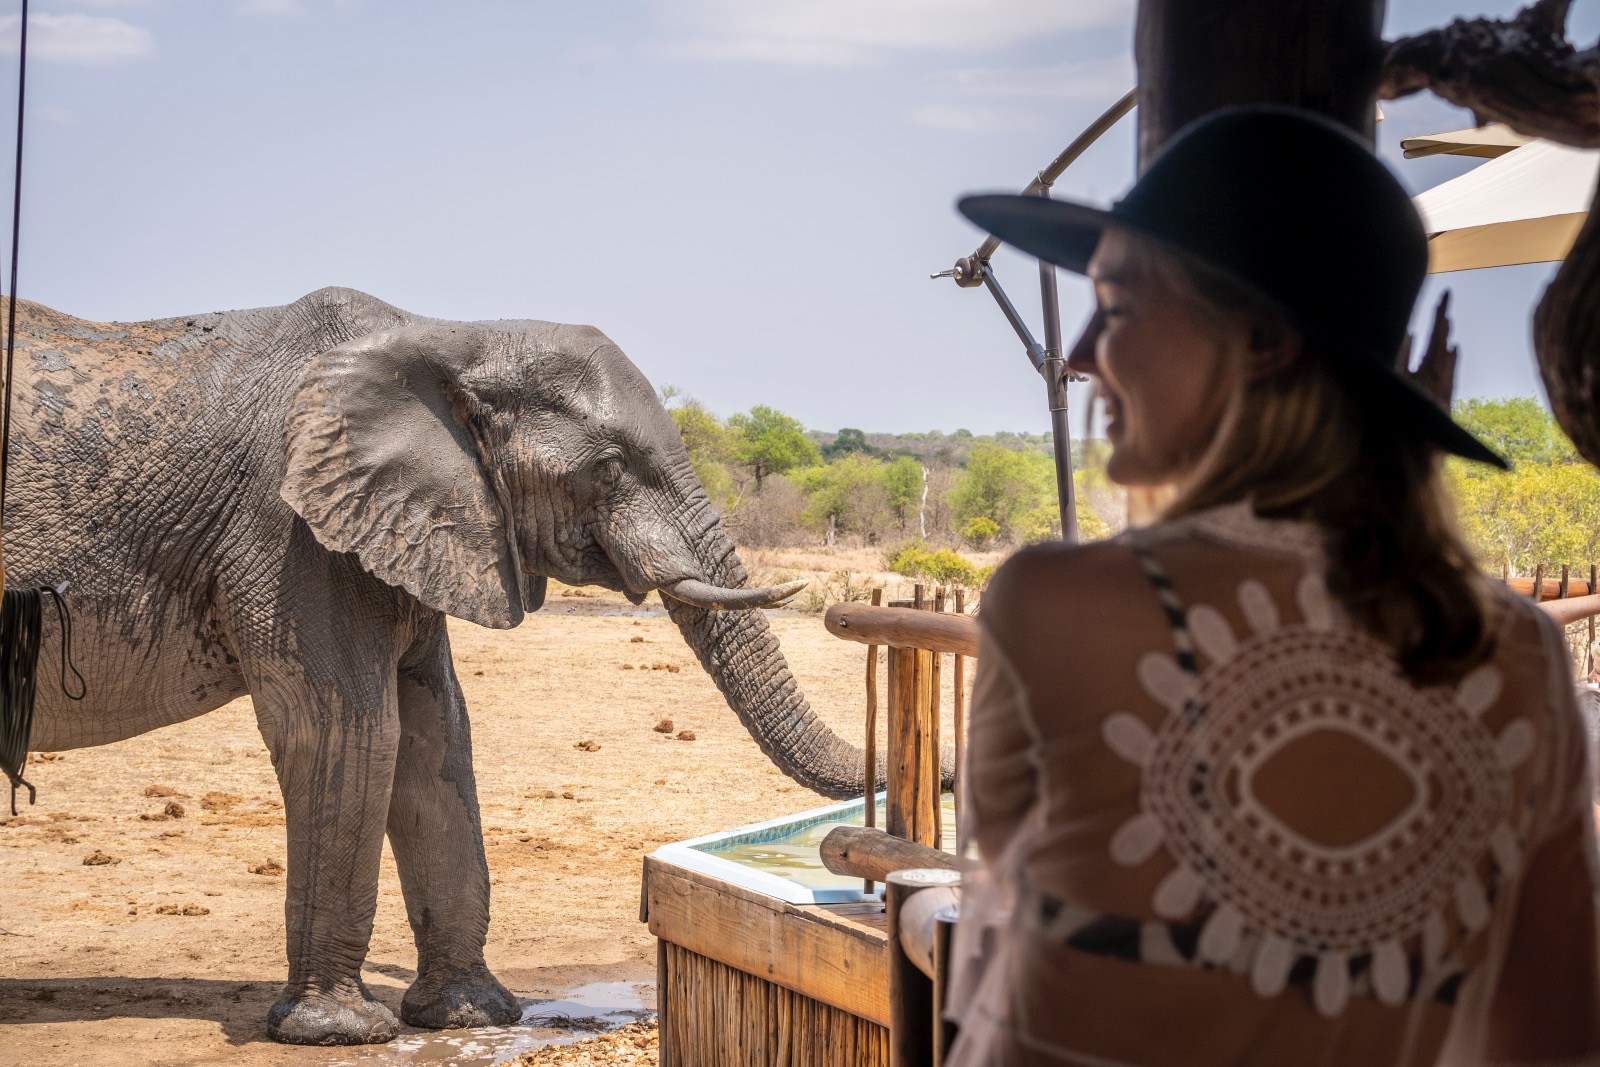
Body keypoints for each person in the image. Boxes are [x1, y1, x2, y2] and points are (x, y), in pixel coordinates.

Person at [945, 107, 1600, 1067]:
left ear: (1260, 341)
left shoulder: (1051, 606)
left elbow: (1036, 892)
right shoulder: (1515, 657)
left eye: (1118, 308)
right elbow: (1550, 1038)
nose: (1082, 352)